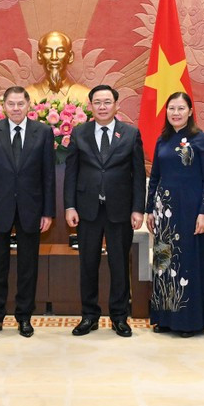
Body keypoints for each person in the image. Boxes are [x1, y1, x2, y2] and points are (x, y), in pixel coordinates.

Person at [64, 85, 146, 337]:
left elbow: (138, 175)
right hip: (87, 209)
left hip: (120, 209)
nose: (102, 106)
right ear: (90, 106)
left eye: (107, 102)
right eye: (97, 102)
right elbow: (71, 173)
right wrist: (69, 206)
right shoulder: (79, 133)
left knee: (119, 264)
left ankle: (119, 317)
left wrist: (137, 209)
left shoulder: (130, 134)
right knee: (87, 264)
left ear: (116, 105)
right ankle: (89, 316)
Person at [0, 86, 55, 338]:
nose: (16, 108)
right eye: (11, 104)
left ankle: (24, 317)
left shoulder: (42, 132)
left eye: (20, 103)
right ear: (4, 106)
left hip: (31, 209)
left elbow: (48, 176)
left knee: (27, 266)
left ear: (28, 104)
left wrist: (48, 212)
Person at [145, 92, 204, 337]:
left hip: (191, 211)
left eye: (181, 108)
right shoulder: (162, 140)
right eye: (171, 108)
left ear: (190, 111)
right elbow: (154, 177)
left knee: (187, 263)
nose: (176, 112)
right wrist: (149, 210)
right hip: (165, 214)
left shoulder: (201, 140)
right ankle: (164, 318)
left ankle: (189, 322)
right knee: (164, 264)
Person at [24, 31, 90, 104]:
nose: (54, 57)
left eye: (60, 51)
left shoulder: (85, 96)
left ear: (70, 57)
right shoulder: (26, 96)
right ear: (39, 57)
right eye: (48, 51)